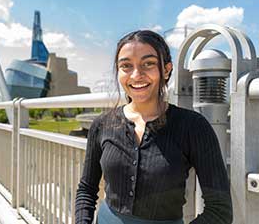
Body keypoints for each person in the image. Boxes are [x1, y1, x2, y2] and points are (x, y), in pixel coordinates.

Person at [75, 30, 233, 224]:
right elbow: (87, 189)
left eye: (148, 63)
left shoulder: (193, 126)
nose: (136, 75)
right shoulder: (102, 125)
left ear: (166, 70)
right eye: (126, 66)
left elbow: (220, 210)